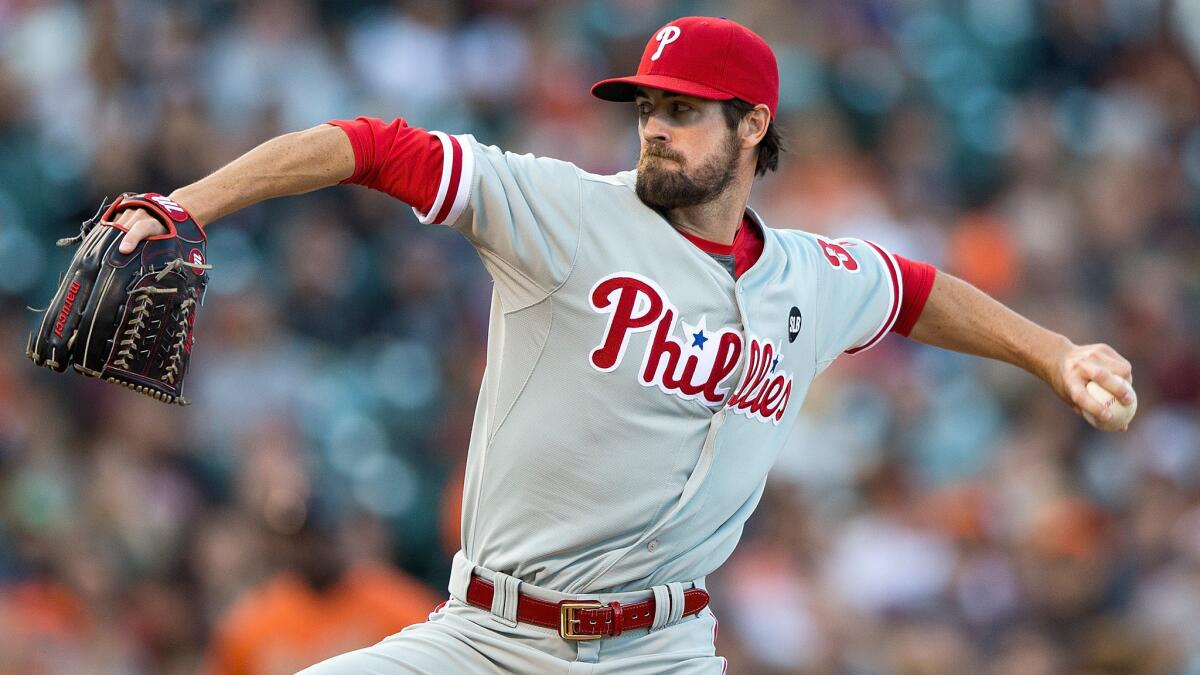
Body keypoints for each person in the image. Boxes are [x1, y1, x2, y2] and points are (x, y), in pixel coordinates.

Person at [110, 16, 1135, 674]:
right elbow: (369, 147)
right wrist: (184, 204)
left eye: (682, 111)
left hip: (665, 652)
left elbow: (917, 293)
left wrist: (1055, 355)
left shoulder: (813, 279)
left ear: (752, 128)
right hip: (489, 640)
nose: (653, 127)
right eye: (647, 106)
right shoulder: (559, 210)